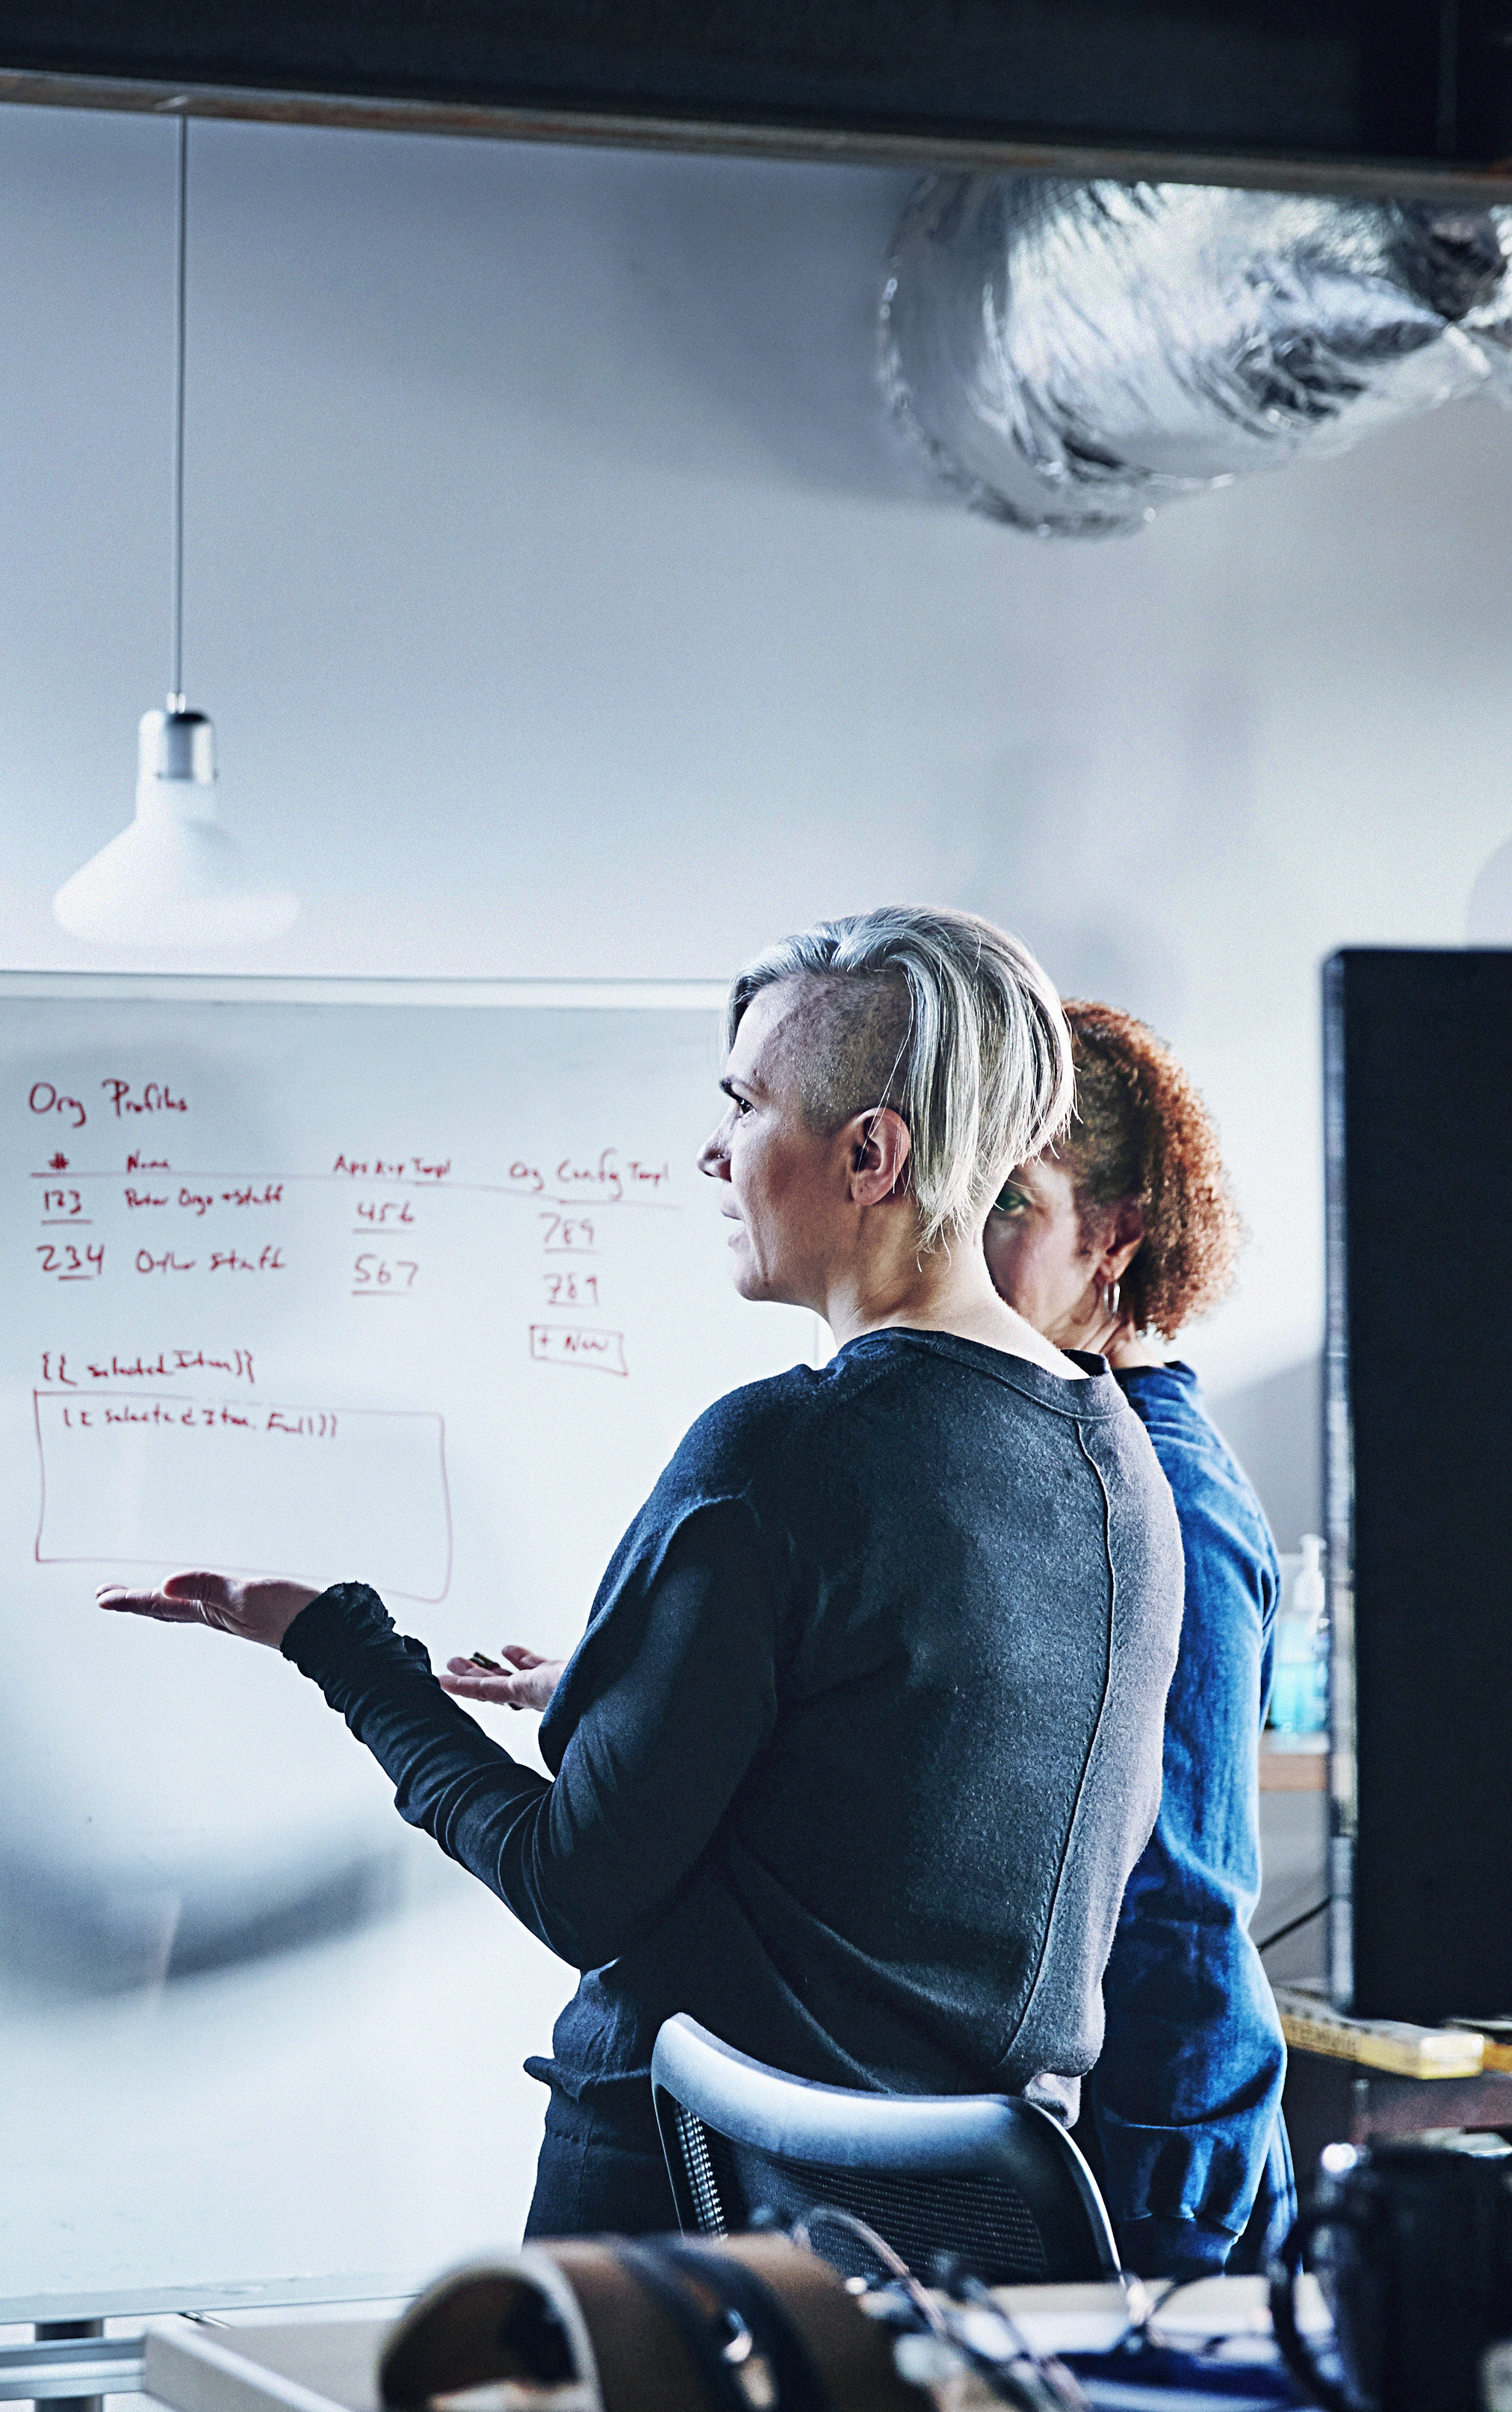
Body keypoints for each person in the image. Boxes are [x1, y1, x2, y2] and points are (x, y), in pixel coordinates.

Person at [102, 908, 1181, 2234]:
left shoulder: (788, 1449)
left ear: (869, 1153)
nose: (711, 1151)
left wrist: (339, 1648)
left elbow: (574, 1883)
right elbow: (912, 1765)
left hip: (694, 2223)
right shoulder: (1118, 1457)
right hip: (944, 2244)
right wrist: (648, 1687)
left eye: (743, 1103)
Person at [980, 999, 1292, 2278]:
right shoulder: (1041, 1458)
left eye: (1012, 1204)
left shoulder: (1172, 1508)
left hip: (1158, 2180)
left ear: (1116, 1239)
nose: (961, 1242)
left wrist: (1168, 2234)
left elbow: (1186, 1897)